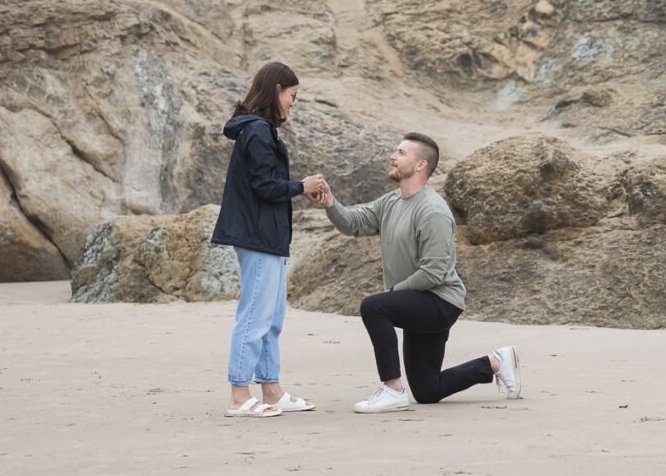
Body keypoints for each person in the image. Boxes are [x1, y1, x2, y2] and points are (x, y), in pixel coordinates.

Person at [307, 132, 521, 413]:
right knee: (427, 390)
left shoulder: (433, 211)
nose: (392, 157)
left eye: (401, 153)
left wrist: (395, 292)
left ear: (420, 165)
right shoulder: (391, 202)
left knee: (374, 307)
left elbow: (434, 272)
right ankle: (495, 362)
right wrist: (330, 203)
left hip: (439, 302)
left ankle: (393, 389)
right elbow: (353, 224)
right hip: (415, 299)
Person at [211, 62, 326, 418]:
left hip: (267, 236)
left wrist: (296, 189)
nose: (293, 103)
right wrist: (300, 187)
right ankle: (238, 396)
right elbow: (264, 185)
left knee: (271, 316)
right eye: (292, 96)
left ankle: (271, 389)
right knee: (255, 316)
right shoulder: (258, 131)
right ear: (277, 89)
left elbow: (262, 184)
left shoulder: (257, 129)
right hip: (258, 235)